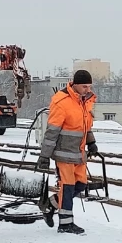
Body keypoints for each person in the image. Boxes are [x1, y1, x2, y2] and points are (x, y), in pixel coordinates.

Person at [36, 70, 98, 234]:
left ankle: (51, 204)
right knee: (68, 187)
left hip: (79, 154)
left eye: (89, 86)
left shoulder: (85, 102)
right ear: (75, 84)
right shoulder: (62, 102)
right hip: (64, 154)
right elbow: (52, 132)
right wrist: (44, 156)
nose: (87, 89)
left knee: (81, 185)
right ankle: (65, 224)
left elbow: (85, 127)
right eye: (84, 86)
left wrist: (91, 143)